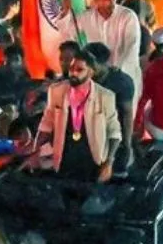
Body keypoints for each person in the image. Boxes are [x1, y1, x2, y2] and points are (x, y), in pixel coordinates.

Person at [36, 50, 121, 182]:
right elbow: (46, 124)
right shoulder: (56, 91)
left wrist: (109, 163)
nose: (73, 73)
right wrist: (35, 151)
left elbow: (114, 133)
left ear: (91, 72)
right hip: (64, 161)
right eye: (71, 68)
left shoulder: (105, 96)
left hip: (93, 162)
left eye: (79, 69)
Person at [61, 0, 143, 104]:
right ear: (95, 0)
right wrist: (66, 11)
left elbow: (131, 47)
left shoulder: (127, 17)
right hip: (96, 80)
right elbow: (67, 34)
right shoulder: (86, 18)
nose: (112, 3)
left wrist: (115, 69)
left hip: (123, 78)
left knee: (124, 116)